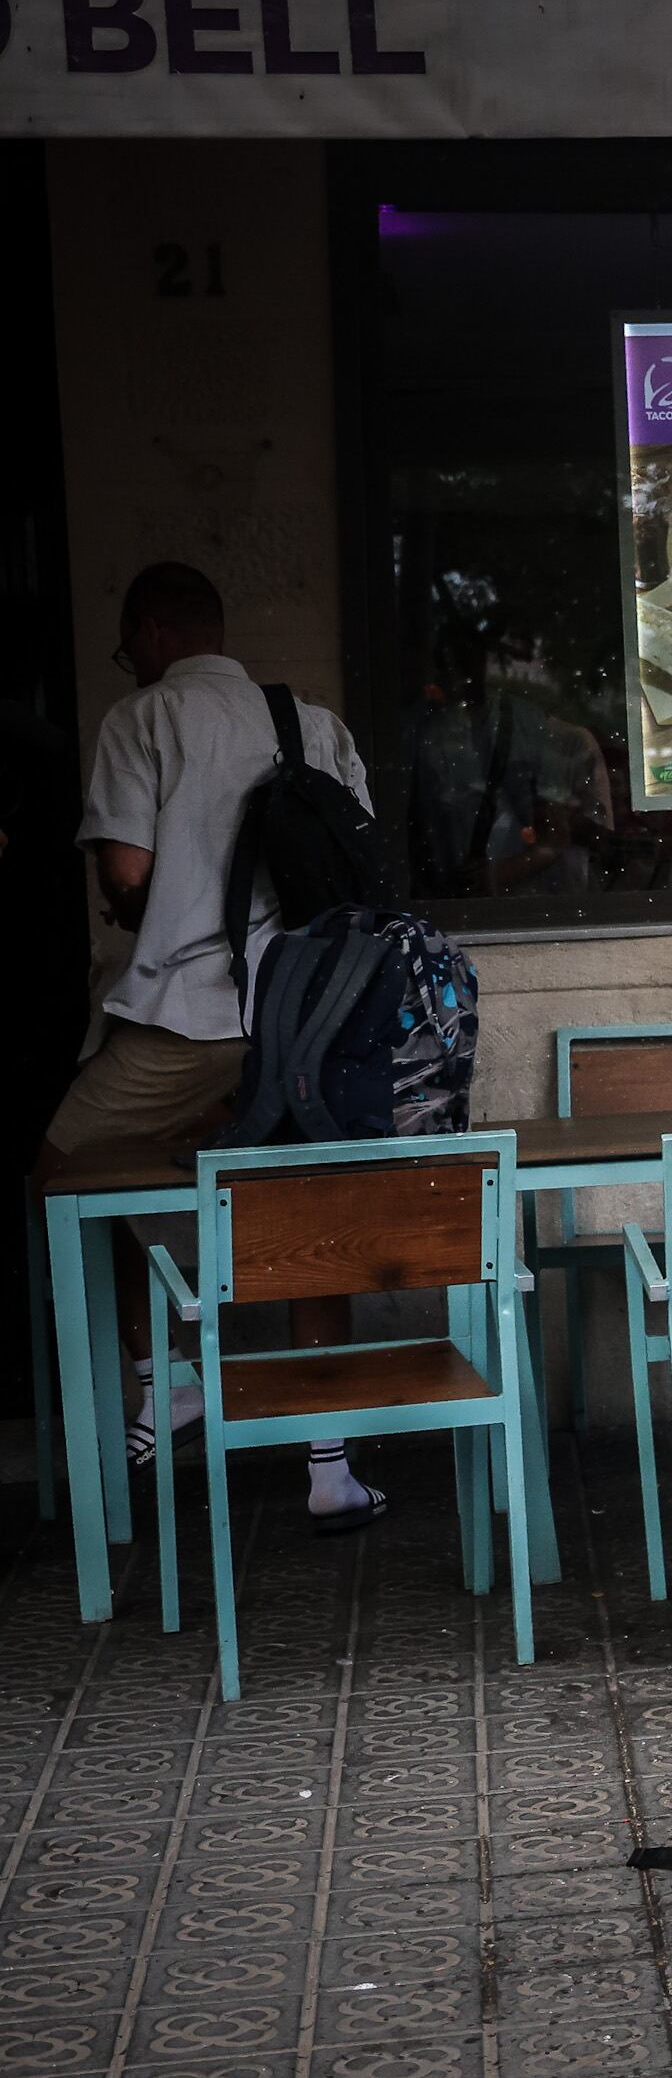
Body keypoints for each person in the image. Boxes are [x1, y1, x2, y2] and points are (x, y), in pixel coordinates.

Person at [47, 561, 384, 1528]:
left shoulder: (142, 719)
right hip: (308, 1021)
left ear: (151, 632)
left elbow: (126, 871)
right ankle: (330, 1471)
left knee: (64, 1175)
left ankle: (170, 1378)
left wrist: (137, 900)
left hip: (189, 1017)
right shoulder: (315, 724)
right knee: (306, 1221)